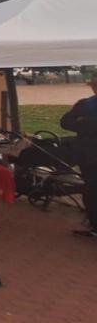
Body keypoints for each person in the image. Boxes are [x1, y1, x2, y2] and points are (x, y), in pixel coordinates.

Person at [60, 76, 97, 238]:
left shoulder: (85, 106)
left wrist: (85, 122)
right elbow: (65, 122)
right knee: (91, 190)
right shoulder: (85, 104)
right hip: (89, 156)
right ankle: (94, 225)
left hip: (88, 153)